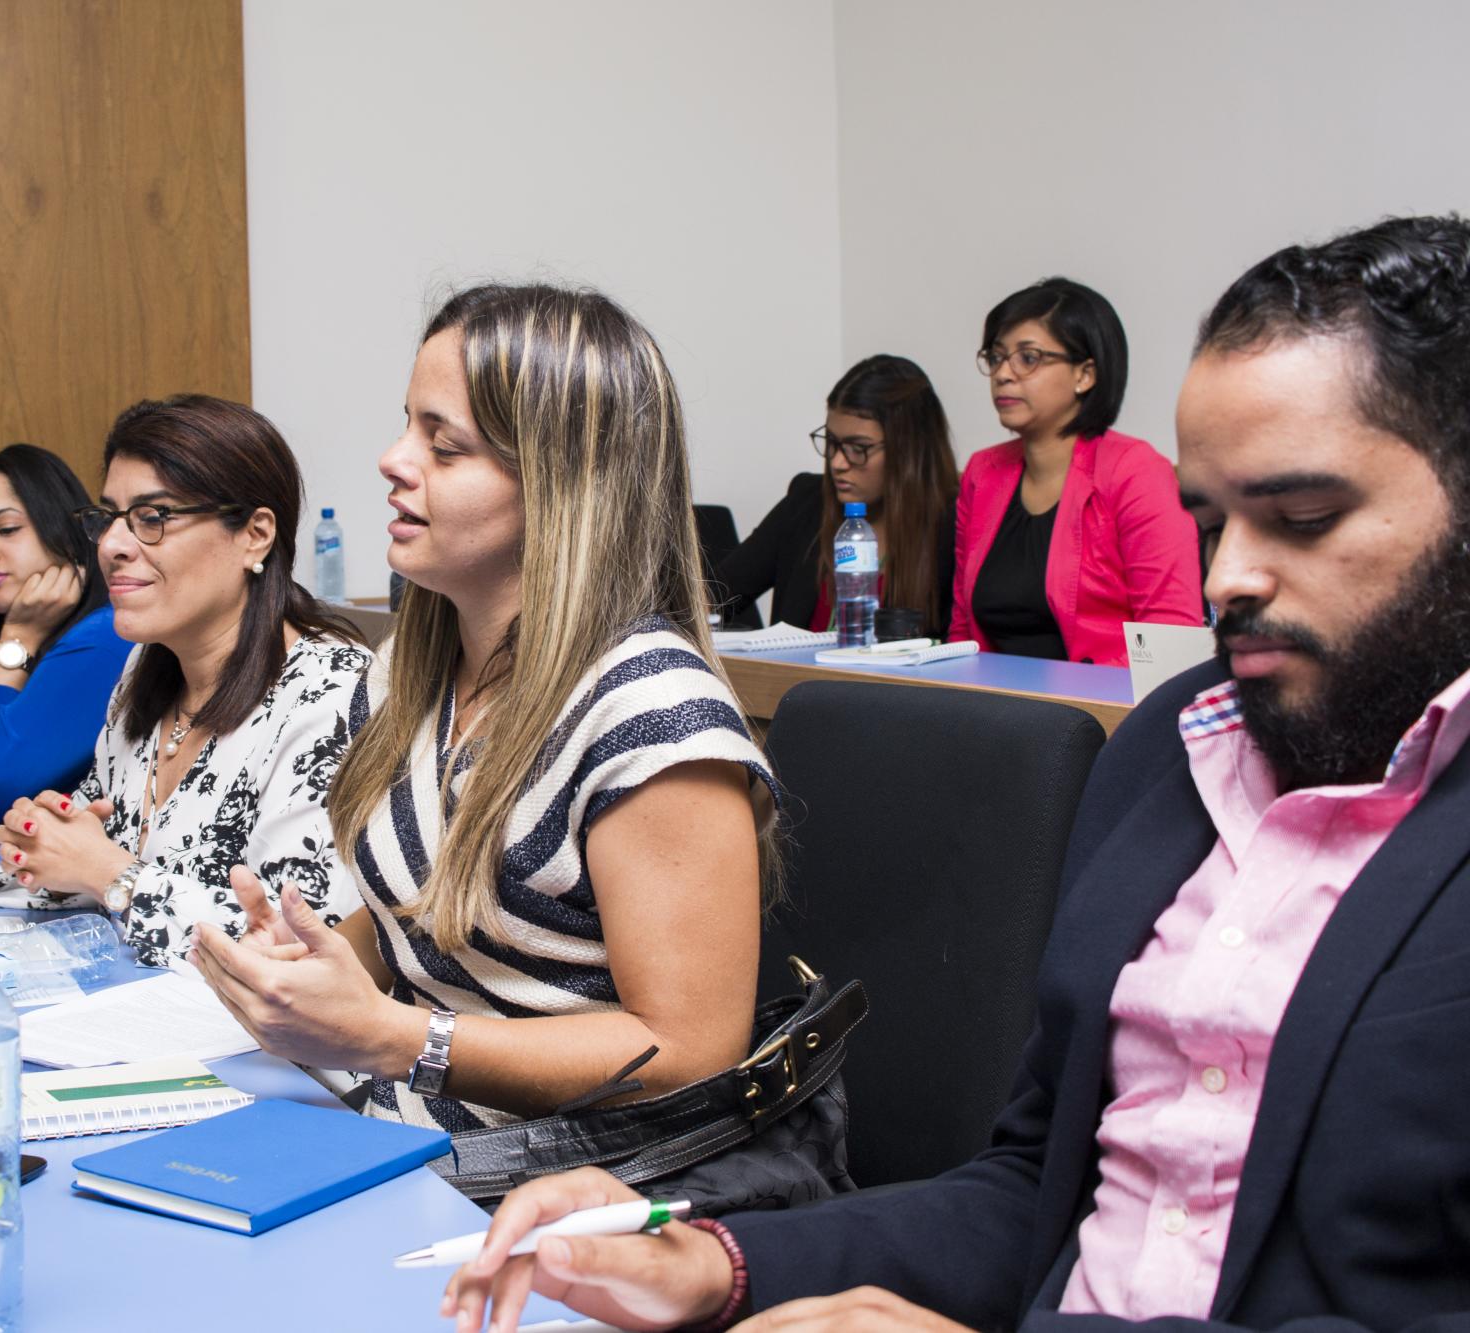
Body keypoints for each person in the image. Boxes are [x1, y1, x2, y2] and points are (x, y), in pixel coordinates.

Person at [441, 215, 1470, 1333]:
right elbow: (1035, 1193)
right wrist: (718, 1260)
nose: (1224, 577)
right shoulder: (1167, 759)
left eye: (1304, 518)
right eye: (1209, 522)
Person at [185, 284, 776, 1132]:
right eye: (406, 426)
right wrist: (310, 970)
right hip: (397, 1134)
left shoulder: (654, 715)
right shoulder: (410, 671)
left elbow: (688, 1053)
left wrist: (395, 1037)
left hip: (559, 1179)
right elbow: (431, 924)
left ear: (561, 484)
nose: (393, 459)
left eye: (445, 445)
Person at [0, 397, 370, 967]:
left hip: (251, 1028)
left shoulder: (334, 691)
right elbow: (87, 842)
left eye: (153, 517)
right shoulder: (147, 665)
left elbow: (304, 946)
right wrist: (42, 840)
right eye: (109, 517)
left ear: (255, 535)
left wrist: (106, 873)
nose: (111, 545)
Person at [950, 277, 1203, 664]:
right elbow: (962, 632)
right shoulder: (983, 473)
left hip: (1106, 699)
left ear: (1085, 374)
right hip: (992, 699)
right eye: (996, 357)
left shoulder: (1136, 472)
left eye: (1028, 358)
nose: (1003, 373)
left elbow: (1171, 637)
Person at [0, 443, 126, 830]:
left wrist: (17, 638)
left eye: (7, 529)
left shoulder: (103, 639)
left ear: (68, 530)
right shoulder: (80, 632)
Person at [712, 355, 960, 636]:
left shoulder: (953, 524)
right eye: (832, 442)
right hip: (791, 668)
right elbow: (712, 595)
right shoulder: (807, 502)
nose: (838, 463)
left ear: (910, 450)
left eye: (859, 448)